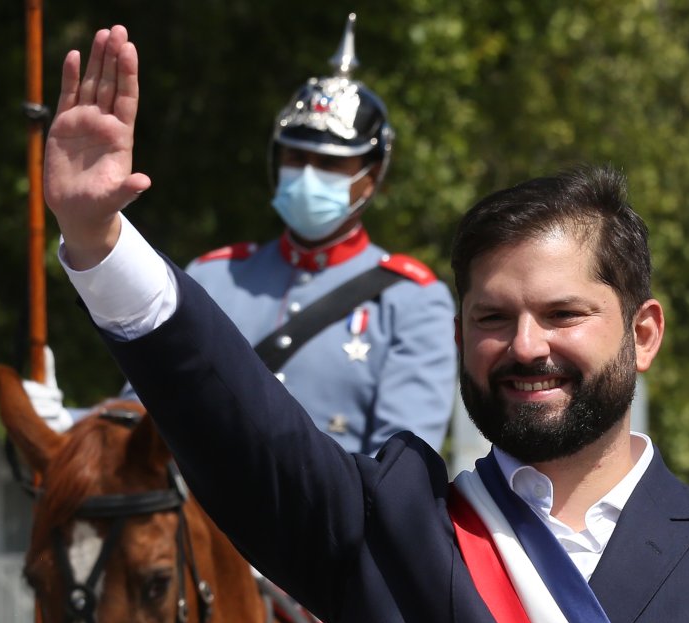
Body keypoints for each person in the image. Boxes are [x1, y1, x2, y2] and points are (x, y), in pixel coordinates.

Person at [43, 25, 689, 623]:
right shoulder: (385, 536)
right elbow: (232, 411)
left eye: (563, 314)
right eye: (493, 318)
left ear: (643, 333)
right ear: (461, 334)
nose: (526, 346)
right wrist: (98, 238)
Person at [29, 14, 457, 456]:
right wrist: (72, 424)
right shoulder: (215, 274)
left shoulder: (412, 300)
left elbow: (399, 475)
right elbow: (146, 413)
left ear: (371, 178)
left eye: (330, 164)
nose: (307, 174)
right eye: (296, 157)